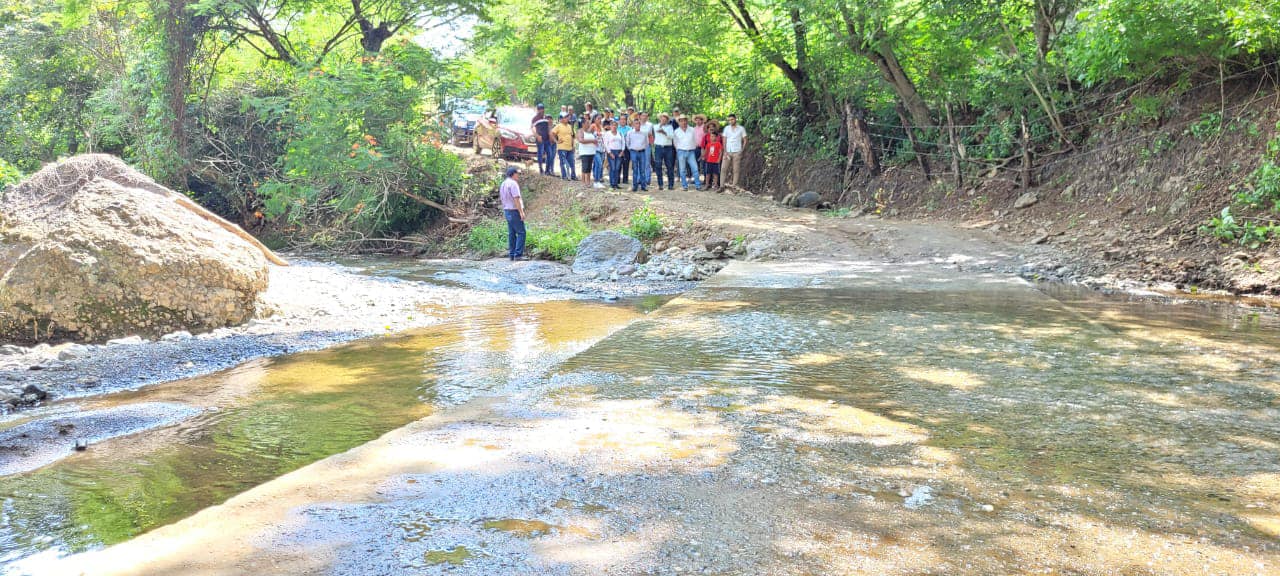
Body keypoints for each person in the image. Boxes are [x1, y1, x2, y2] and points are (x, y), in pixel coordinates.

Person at [500, 166, 527, 261]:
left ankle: (512, 254)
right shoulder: (513, 184)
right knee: (521, 232)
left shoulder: (503, 184)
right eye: (517, 174)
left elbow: (502, 198)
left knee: (512, 233)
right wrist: (521, 212)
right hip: (514, 210)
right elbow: (516, 198)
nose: (518, 175)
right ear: (513, 174)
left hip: (507, 210)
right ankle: (518, 255)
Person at [673, 115, 701, 190]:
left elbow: (695, 139)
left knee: (695, 168)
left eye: (685, 120)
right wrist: (678, 150)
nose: (683, 122)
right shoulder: (676, 131)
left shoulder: (692, 129)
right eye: (681, 121)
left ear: (687, 121)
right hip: (681, 151)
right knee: (682, 170)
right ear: (679, 122)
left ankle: (698, 185)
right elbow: (675, 142)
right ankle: (684, 185)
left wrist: (694, 146)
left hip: (691, 151)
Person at [625, 116, 651, 191]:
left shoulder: (644, 133)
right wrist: (631, 149)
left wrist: (642, 147)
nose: (637, 125)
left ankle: (643, 186)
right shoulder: (630, 133)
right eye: (636, 124)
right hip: (633, 152)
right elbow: (627, 142)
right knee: (635, 169)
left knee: (642, 169)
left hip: (642, 152)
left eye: (638, 124)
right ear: (633, 125)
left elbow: (647, 143)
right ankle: (635, 186)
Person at [721, 114, 747, 188]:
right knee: (723, 169)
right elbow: (724, 140)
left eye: (732, 119)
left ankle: (734, 186)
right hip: (727, 151)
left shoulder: (741, 128)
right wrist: (725, 151)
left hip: (737, 151)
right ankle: (721, 186)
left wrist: (742, 150)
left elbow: (745, 140)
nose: (730, 121)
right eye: (729, 120)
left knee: (736, 170)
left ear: (735, 119)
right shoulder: (726, 128)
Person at [652, 113, 676, 190]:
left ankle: (671, 185)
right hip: (658, 147)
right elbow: (655, 131)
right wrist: (661, 125)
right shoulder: (655, 126)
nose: (664, 119)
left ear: (667, 120)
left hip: (668, 148)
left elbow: (672, 136)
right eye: (662, 118)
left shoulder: (670, 127)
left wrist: (665, 133)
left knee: (669, 166)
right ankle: (660, 184)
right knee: (658, 166)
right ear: (660, 119)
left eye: (665, 118)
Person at [551, 114, 576, 180]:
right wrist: (556, 141)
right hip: (562, 147)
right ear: (562, 119)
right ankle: (565, 176)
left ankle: (573, 176)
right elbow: (552, 133)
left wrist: (573, 145)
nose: (567, 119)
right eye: (566, 118)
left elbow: (572, 136)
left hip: (570, 147)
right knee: (564, 162)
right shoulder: (558, 126)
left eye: (568, 118)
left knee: (572, 162)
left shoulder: (570, 126)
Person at [532, 103, 554, 175]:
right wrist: (537, 136)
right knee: (540, 154)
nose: (541, 110)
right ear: (538, 110)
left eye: (542, 109)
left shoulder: (545, 118)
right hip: (540, 139)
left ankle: (547, 170)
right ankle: (541, 169)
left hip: (547, 139)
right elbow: (533, 128)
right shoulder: (535, 118)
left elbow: (548, 127)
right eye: (540, 109)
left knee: (550, 154)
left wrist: (550, 136)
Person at [603, 119, 625, 189]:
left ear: (617, 126)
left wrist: (622, 151)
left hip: (619, 152)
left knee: (617, 168)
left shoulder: (620, 133)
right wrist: (609, 153)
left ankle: (616, 183)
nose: (614, 126)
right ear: (610, 126)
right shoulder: (607, 134)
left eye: (615, 125)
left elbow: (623, 142)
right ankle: (612, 183)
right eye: (613, 125)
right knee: (612, 168)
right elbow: (606, 144)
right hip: (611, 152)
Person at [578, 119, 599, 187]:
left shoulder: (590, 132)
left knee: (589, 167)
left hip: (591, 152)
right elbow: (581, 140)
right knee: (585, 167)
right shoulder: (580, 131)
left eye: (589, 123)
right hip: (584, 152)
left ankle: (588, 181)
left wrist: (595, 142)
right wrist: (592, 141)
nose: (589, 124)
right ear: (583, 124)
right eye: (587, 123)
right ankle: (583, 182)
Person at [692, 114, 707, 186]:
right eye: (696, 120)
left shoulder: (705, 128)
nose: (698, 121)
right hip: (695, 148)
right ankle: (696, 179)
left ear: (702, 120)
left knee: (704, 164)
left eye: (699, 120)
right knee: (695, 164)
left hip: (703, 148)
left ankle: (705, 180)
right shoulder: (694, 129)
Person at [617, 117, 632, 184]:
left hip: (627, 148)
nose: (623, 121)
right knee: (618, 164)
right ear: (619, 121)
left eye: (624, 119)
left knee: (626, 164)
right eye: (621, 119)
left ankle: (625, 180)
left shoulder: (629, 128)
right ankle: (617, 179)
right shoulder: (617, 128)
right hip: (618, 148)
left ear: (626, 121)